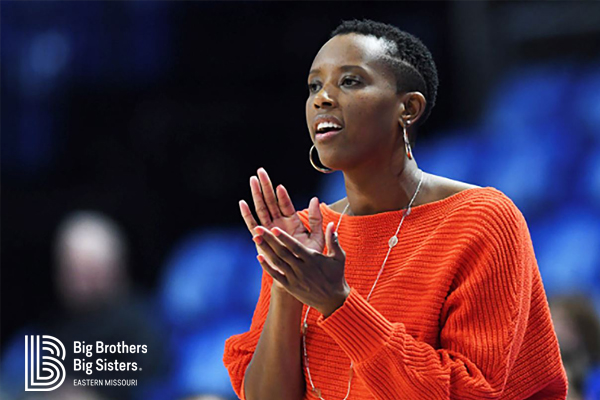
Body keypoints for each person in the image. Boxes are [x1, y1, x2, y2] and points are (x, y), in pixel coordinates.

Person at [223, 19, 568, 400]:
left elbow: (469, 393)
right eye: (314, 86)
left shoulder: (479, 220)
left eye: (350, 81)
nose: (323, 98)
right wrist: (289, 285)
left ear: (408, 107)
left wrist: (337, 302)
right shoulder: (305, 236)